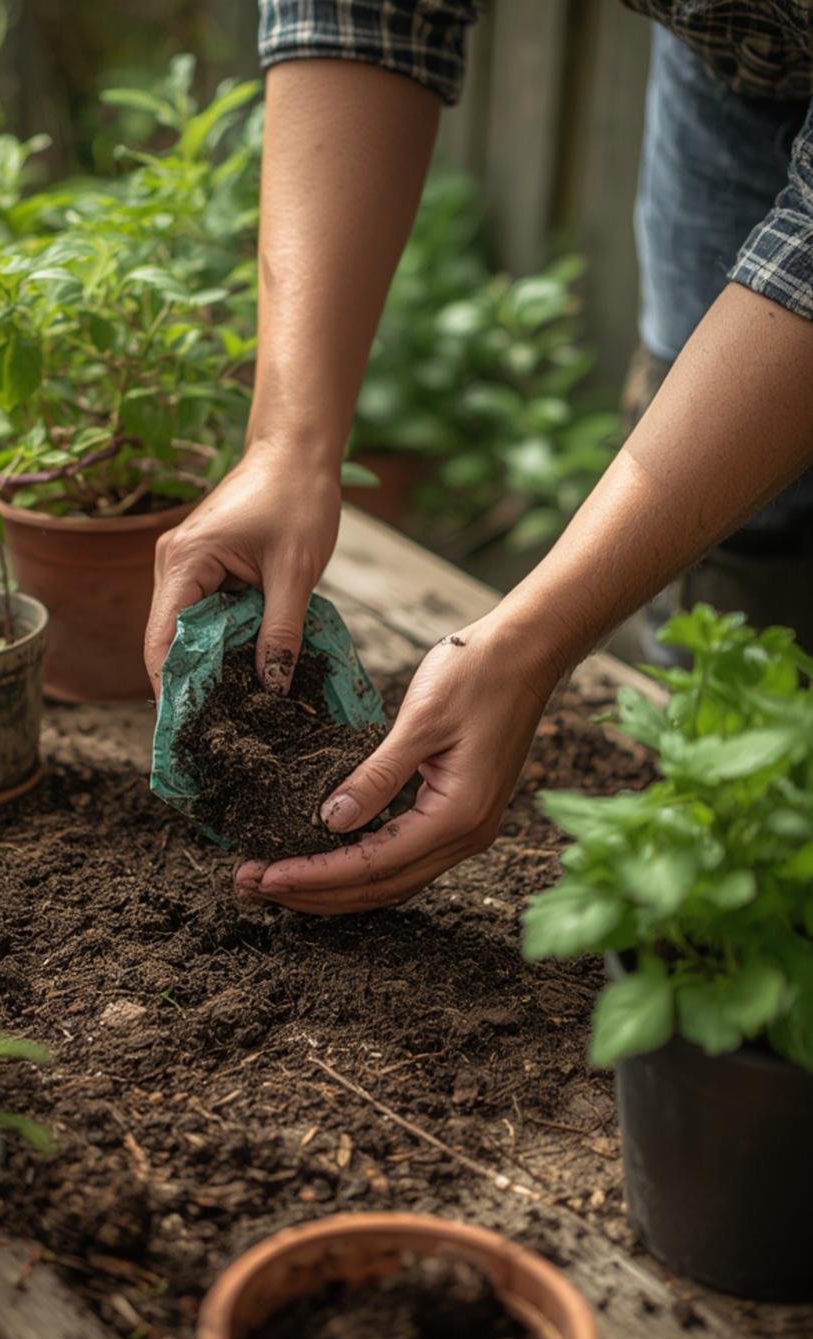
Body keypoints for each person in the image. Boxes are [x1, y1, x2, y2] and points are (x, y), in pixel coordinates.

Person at [143, 1, 813, 918]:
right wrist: (286, 447)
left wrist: (529, 648)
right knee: (730, 565)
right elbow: (359, 12)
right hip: (729, 64)